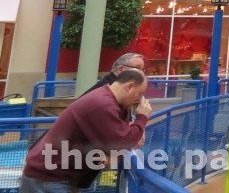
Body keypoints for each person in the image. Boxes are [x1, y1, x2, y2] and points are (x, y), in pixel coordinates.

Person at [21, 69, 151, 193]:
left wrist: (117, 150)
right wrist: (142, 118)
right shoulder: (103, 104)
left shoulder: (115, 103)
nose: (140, 99)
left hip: (57, 177)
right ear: (129, 86)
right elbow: (125, 140)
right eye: (140, 93)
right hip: (47, 178)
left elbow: (129, 139)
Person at [82, 52, 146, 95]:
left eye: (142, 69)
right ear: (120, 69)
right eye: (137, 68)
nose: (141, 73)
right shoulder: (108, 91)